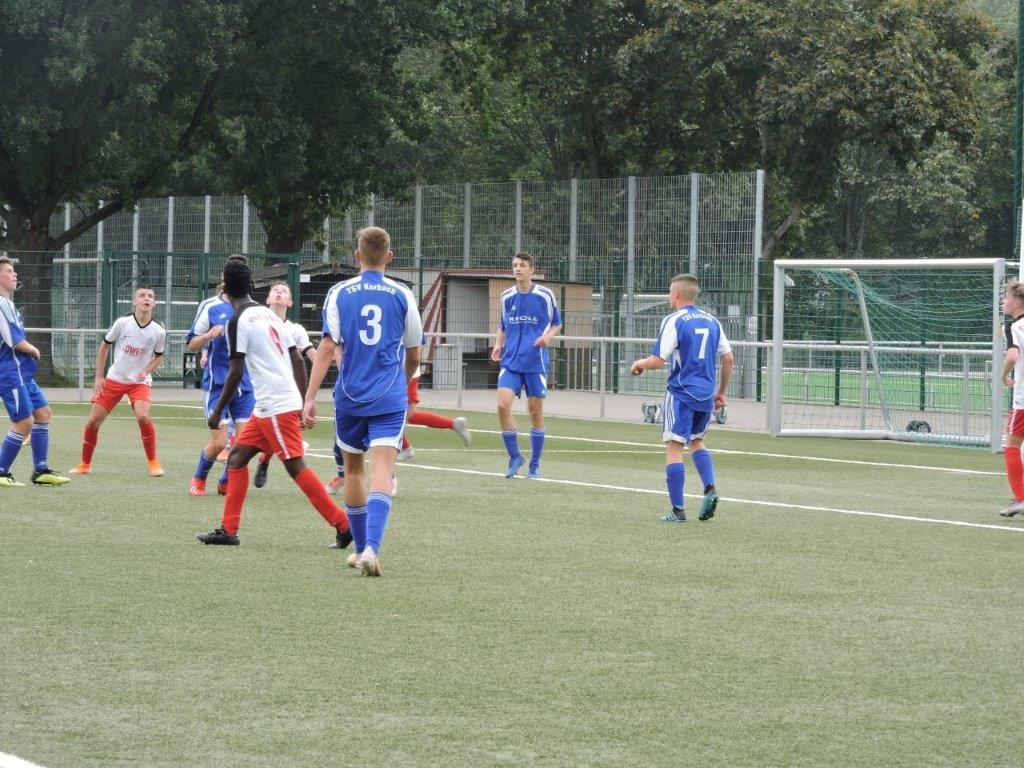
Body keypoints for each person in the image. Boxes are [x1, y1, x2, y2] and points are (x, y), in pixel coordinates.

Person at [195, 260, 351, 548]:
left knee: (295, 466)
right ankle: (228, 530)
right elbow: (297, 360)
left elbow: (235, 373)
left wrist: (216, 412)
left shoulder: (237, 321)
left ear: (225, 289)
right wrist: (302, 400)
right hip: (271, 404)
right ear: (252, 285)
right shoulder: (269, 315)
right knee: (237, 458)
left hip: (274, 405)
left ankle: (343, 525)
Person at [303, 226, 422, 577]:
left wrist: (309, 397)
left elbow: (327, 347)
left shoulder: (339, 292)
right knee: (382, 470)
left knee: (353, 470)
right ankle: (371, 548)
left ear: (357, 256)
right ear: (390, 256)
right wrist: (402, 381)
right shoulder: (403, 294)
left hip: (350, 396)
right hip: (389, 397)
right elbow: (415, 354)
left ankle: (358, 550)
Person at [629, 273, 733, 522]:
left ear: (676, 294)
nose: (668, 296)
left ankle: (678, 510)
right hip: (705, 393)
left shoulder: (674, 320)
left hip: (681, 392)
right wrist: (720, 392)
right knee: (697, 441)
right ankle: (709, 487)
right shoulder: (712, 321)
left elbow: (658, 360)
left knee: (674, 446)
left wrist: (639, 363)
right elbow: (728, 358)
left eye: (669, 292)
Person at [68, 285, 167, 476]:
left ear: (154, 303)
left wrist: (146, 371)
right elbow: (104, 346)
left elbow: (158, 357)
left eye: (150, 296)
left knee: (143, 417)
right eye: (142, 295)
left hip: (139, 383)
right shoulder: (122, 323)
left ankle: (153, 463)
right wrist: (99, 377)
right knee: (93, 421)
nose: (146, 298)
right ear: (134, 301)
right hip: (115, 379)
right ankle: (84, 464)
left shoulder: (158, 331)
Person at [185, 256, 254, 496]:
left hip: (244, 386)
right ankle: (199, 478)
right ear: (224, 277)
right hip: (217, 385)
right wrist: (208, 335)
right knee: (219, 443)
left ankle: (226, 480)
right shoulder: (210, 306)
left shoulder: (252, 309)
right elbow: (192, 343)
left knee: (244, 443)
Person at [489, 252, 562, 479]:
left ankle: (535, 464)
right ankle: (515, 456)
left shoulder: (544, 295)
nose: (517, 269)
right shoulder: (507, 296)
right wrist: (498, 344)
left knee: (535, 412)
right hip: (511, 361)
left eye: (522, 265)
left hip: (535, 362)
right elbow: (503, 325)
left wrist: (547, 337)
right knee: (502, 405)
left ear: (531, 269)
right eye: (514, 265)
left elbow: (557, 323)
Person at [0, 256, 70, 487]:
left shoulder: (8, 303)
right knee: (24, 421)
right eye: (9, 271)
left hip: (21, 371)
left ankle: (40, 470)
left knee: (43, 413)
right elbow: (12, 339)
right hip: (9, 372)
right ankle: (1, 471)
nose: (14, 274)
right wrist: (32, 349)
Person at [252, 281, 317, 489]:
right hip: (261, 388)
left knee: (282, 428)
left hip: (287, 391)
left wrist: (326, 360)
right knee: (263, 431)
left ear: (290, 302)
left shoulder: (295, 330)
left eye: (284, 291)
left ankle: (264, 460)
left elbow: (310, 353)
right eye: (275, 291)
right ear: (268, 299)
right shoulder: (256, 325)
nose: (279, 293)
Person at [999, 280, 1024, 517]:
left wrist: (1003, 375)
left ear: (1017, 303)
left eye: (1006, 297)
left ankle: (1021, 498)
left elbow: (1013, 356)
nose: (1003, 301)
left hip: (1023, 400)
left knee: (1011, 447)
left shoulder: (1014, 327)